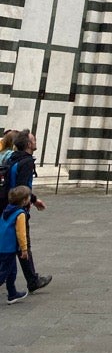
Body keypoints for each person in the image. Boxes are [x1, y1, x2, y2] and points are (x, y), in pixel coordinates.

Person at [4, 130, 52, 293]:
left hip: (8, 205)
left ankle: (29, 280)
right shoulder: (26, 162)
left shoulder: (13, 158)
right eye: (34, 140)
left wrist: (34, 199)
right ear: (29, 144)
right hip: (18, 208)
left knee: (13, 244)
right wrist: (30, 201)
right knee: (22, 243)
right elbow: (22, 187)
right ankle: (32, 281)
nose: (36, 142)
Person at [1, 184, 31, 305]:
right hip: (9, 247)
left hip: (2, 245)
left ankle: (12, 294)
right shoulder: (20, 213)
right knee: (3, 273)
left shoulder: (6, 210)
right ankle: (12, 293)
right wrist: (24, 249)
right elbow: (21, 233)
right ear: (24, 200)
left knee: (11, 271)